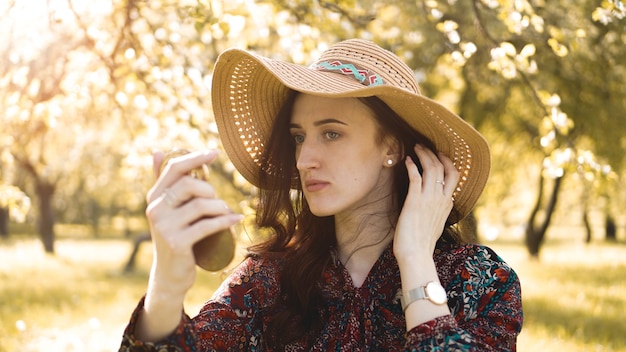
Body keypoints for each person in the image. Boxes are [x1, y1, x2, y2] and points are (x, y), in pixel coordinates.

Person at [119, 39, 523, 351]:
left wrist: (415, 259)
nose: (304, 159)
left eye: (331, 133)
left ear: (392, 148)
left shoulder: (478, 279)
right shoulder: (270, 279)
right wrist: (168, 283)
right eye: (299, 137)